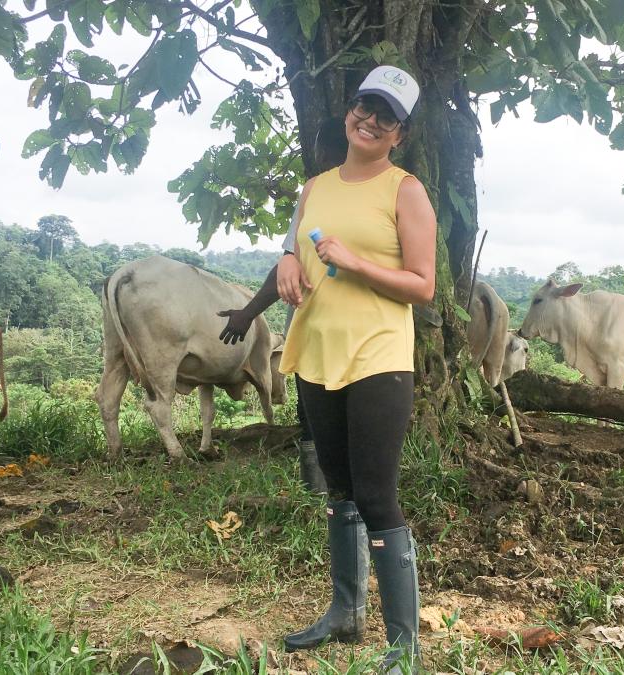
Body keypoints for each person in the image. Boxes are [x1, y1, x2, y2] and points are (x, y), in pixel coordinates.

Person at [277, 66, 437, 674]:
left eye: (386, 115)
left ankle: (404, 648)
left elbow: (422, 287)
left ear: (399, 132)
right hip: (317, 349)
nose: (369, 120)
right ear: (350, 111)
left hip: (377, 358)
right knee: (338, 488)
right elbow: (296, 242)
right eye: (363, 106)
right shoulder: (315, 185)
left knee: (376, 495)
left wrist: (355, 262)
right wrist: (289, 258)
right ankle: (345, 612)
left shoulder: (405, 190)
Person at [216, 117, 349, 494]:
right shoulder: (314, 196)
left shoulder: (388, 195)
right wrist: (247, 313)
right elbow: (288, 262)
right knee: (312, 408)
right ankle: (320, 489)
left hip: (357, 332)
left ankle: (335, 490)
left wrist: (248, 313)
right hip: (311, 328)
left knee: (337, 410)